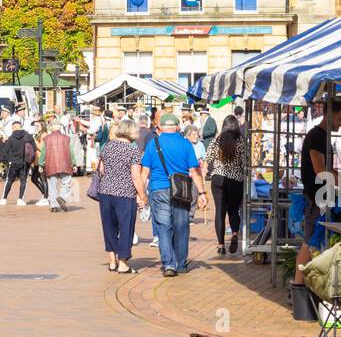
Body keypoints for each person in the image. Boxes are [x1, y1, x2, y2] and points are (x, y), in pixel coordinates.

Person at [134, 112, 207, 276]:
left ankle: (168, 264)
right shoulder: (186, 144)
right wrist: (202, 192)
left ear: (160, 128)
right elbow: (194, 171)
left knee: (163, 227)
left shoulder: (153, 144)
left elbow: (144, 171)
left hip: (158, 189)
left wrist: (141, 194)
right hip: (181, 189)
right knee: (181, 226)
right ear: (177, 127)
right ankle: (180, 264)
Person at [295, 100, 341, 286]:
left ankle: (304, 286)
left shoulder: (321, 137)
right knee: (309, 244)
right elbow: (320, 170)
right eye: (340, 118)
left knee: (313, 244)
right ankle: (298, 287)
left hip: (320, 198)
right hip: (315, 199)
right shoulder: (316, 136)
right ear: (330, 115)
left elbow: (327, 169)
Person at [97, 118, 147, 273]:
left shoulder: (107, 147)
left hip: (105, 192)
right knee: (126, 228)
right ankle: (123, 262)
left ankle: (112, 260)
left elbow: (101, 170)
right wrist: (142, 195)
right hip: (125, 194)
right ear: (132, 131)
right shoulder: (132, 150)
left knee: (109, 226)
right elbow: (136, 176)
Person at [205, 115, 248, 256]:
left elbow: (208, 159)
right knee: (234, 210)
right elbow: (246, 162)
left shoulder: (217, 140)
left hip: (218, 179)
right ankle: (235, 233)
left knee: (220, 211)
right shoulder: (241, 141)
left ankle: (221, 245)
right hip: (236, 180)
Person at [0, 119, 37, 205]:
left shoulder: (11, 138)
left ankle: (4, 198)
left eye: (12, 128)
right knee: (23, 181)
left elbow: (6, 150)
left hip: (13, 162)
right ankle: (20, 199)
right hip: (25, 163)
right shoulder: (28, 136)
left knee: (9, 180)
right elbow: (34, 148)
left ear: (14, 127)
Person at [42, 118, 75, 212]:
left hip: (50, 165)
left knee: (52, 186)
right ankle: (62, 197)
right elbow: (71, 152)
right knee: (66, 183)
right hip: (65, 164)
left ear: (51, 127)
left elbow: (44, 152)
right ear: (59, 127)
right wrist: (74, 163)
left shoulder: (47, 139)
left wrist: (40, 164)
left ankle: (54, 206)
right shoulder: (66, 138)